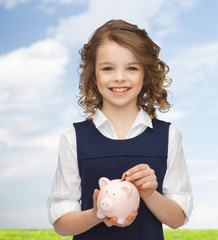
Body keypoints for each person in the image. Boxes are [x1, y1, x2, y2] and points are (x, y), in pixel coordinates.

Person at [47, 19, 193, 240]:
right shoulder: (73, 139)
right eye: (107, 68)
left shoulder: (168, 136)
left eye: (132, 68)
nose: (119, 77)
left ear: (146, 75)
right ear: (93, 76)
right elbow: (61, 225)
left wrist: (150, 193)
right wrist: (97, 213)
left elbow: (177, 219)